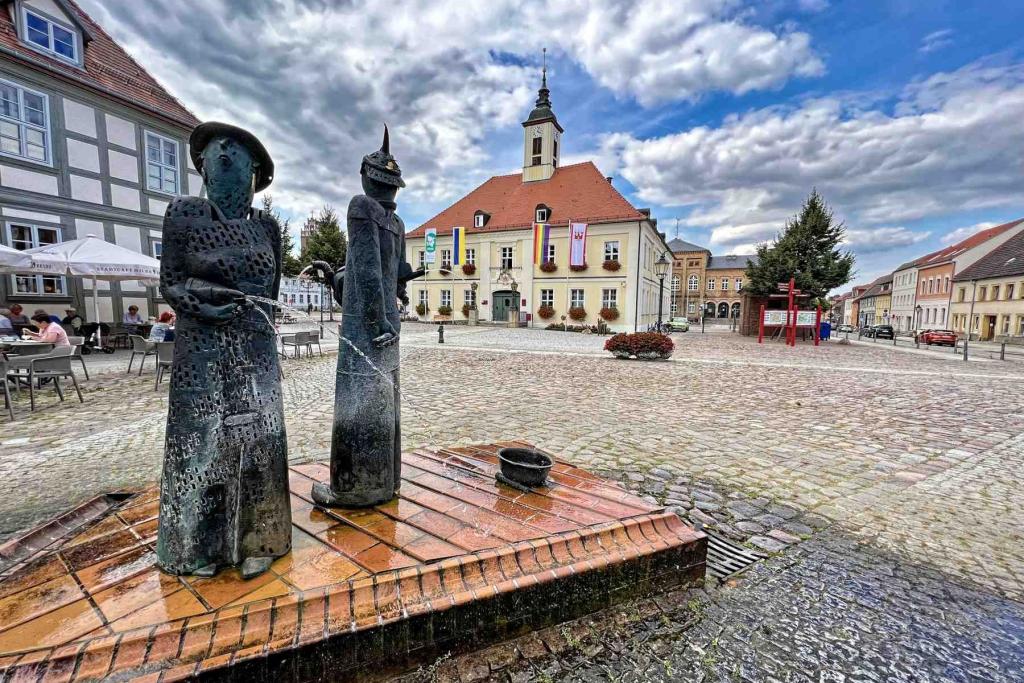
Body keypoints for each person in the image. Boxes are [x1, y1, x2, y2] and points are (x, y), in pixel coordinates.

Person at [156, 121, 289, 580]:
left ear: (255, 171)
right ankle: (197, 545)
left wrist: (257, 329)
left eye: (237, 149)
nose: (225, 152)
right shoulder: (185, 214)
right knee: (203, 441)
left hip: (254, 349)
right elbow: (171, 283)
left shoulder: (267, 227)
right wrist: (204, 305)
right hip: (202, 349)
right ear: (203, 165)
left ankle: (261, 537)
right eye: (217, 148)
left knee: (259, 440)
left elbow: (271, 293)